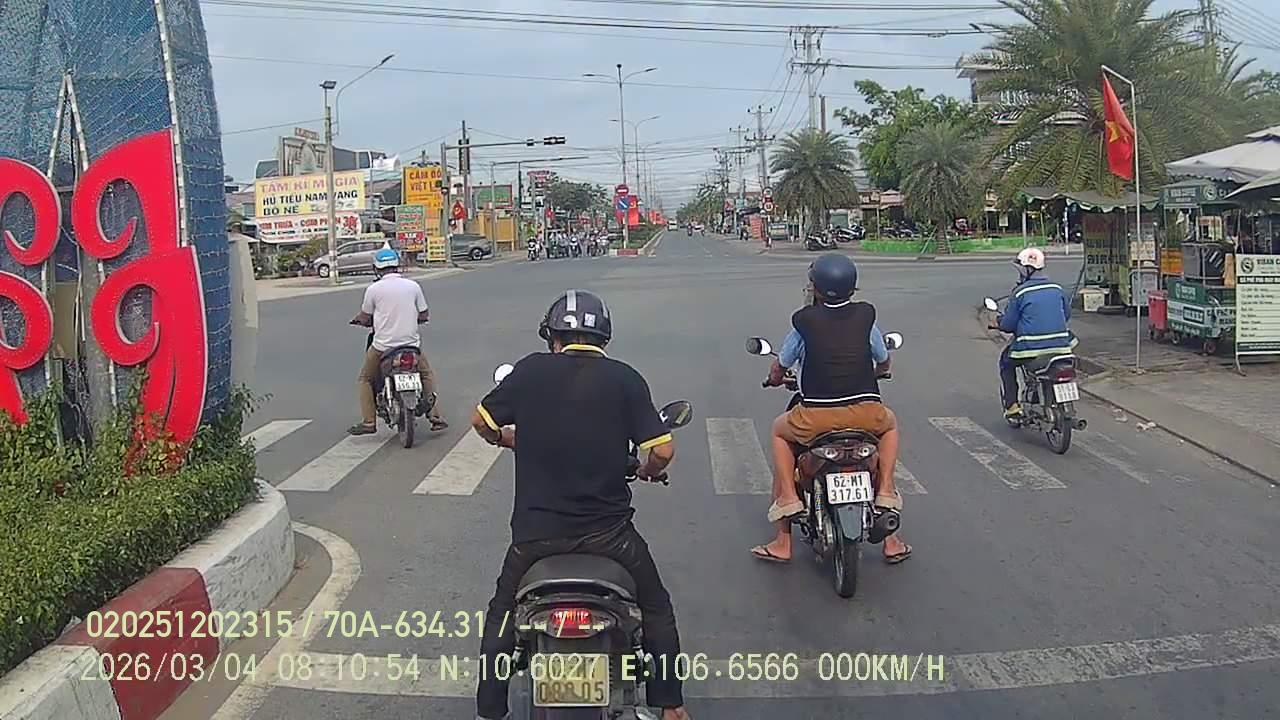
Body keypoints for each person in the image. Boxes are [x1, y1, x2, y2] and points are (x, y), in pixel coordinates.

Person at [470, 289, 691, 720]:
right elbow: (663, 450)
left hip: (536, 536)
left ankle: (490, 709)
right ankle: (671, 704)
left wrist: (505, 438)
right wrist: (647, 469)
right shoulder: (625, 378)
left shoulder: (530, 370)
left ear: (552, 336)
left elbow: (481, 421)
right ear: (603, 337)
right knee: (655, 608)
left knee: (502, 614)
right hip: (610, 536)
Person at [750, 254, 911, 565]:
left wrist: (775, 378)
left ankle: (785, 521)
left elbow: (781, 364)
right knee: (889, 427)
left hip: (815, 416)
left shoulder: (804, 321)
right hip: (866, 413)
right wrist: (880, 371)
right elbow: (882, 359)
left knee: (780, 434)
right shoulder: (865, 317)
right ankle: (888, 510)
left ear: (816, 288)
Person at [347, 248, 447, 435]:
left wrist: (359, 320)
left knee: (365, 379)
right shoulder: (413, 286)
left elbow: (365, 315)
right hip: (411, 345)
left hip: (383, 346)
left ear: (376, 269)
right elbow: (424, 313)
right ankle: (435, 416)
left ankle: (369, 422)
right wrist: (417, 319)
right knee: (426, 374)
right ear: (397, 265)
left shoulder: (373, 290)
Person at [996, 247, 1078, 419]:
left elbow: (1008, 325)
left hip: (1029, 349)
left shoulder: (1020, 293)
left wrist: (999, 322)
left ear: (1027, 270)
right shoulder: (1057, 289)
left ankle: (1012, 407)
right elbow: (1066, 315)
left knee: (1006, 363)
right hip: (1062, 348)